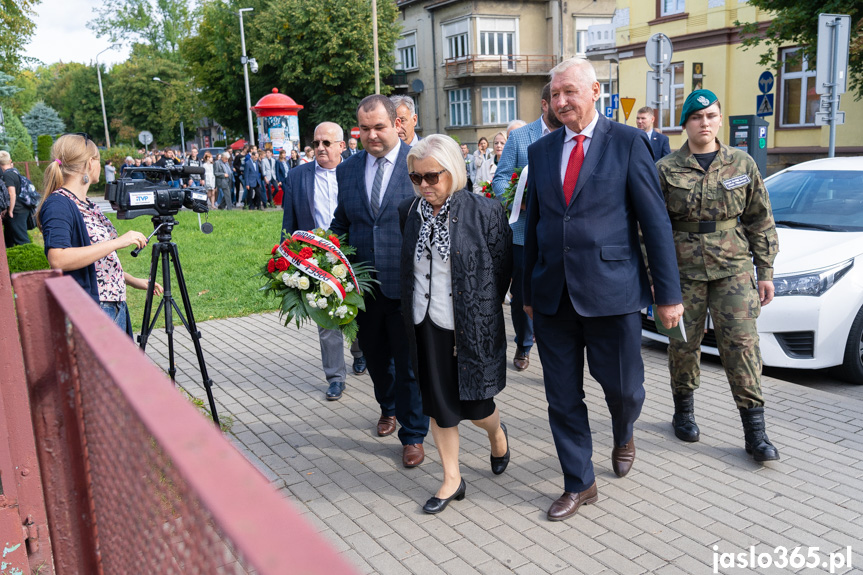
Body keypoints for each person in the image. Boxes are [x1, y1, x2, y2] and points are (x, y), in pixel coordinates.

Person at [522, 58, 683, 522]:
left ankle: (624, 428)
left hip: (613, 292)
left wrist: (668, 296)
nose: (561, 102)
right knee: (562, 395)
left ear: (596, 90)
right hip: (553, 295)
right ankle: (580, 482)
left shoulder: (629, 143)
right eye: (554, 95)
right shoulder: (542, 150)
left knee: (624, 388)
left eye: (569, 92)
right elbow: (535, 224)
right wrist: (529, 289)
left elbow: (654, 224)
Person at [656, 89, 780, 462]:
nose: (704, 123)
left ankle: (755, 433)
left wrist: (766, 270)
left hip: (734, 270)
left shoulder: (742, 164)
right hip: (682, 273)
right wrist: (655, 279)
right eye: (697, 117)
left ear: (720, 119)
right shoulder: (666, 169)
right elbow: (651, 228)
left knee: (742, 347)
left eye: (711, 116)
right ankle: (684, 411)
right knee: (682, 345)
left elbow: (760, 218)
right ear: (686, 124)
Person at [398, 134, 513, 514]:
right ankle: (452, 478)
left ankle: (497, 435)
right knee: (439, 406)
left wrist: (481, 308)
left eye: (432, 176)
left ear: (454, 171)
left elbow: (501, 269)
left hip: (470, 324)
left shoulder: (486, 212)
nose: (424, 185)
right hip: (426, 324)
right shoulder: (408, 212)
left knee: (479, 407)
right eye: (416, 178)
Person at [330, 94, 429, 468]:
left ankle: (414, 434)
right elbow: (346, 220)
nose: (372, 135)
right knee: (375, 358)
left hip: (408, 284)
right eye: (365, 128)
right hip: (363, 286)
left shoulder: (419, 163)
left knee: (408, 364)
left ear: (397, 125)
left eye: (379, 127)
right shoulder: (349, 169)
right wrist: (323, 253)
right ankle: (387, 408)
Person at [37, 134, 162, 335]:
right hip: (94, 308)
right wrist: (119, 242)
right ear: (89, 163)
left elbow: (97, 263)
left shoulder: (86, 203)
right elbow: (58, 258)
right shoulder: (58, 204)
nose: (99, 164)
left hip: (112, 305)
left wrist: (131, 280)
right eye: (98, 159)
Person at [281, 122, 367, 400]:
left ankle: (360, 351)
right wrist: (288, 257)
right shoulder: (297, 177)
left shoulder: (358, 170)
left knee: (357, 312)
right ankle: (335, 377)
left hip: (354, 254)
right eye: (316, 143)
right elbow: (289, 224)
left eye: (326, 143)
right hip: (316, 258)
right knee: (326, 318)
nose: (319, 148)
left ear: (342, 146)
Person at [492, 82, 562, 372]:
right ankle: (523, 344)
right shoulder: (521, 138)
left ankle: (556, 349)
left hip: (561, 234)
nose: (563, 105)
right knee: (523, 294)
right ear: (545, 105)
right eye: (557, 99)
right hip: (523, 234)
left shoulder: (575, 136)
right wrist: (516, 201)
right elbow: (499, 180)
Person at [0, 151, 31, 247]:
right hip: (22, 208)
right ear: (10, 161)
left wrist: (10, 211)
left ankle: (29, 257)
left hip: (17, 211)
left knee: (22, 239)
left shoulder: (7, 175)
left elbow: (11, 194)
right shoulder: (15, 172)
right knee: (9, 238)